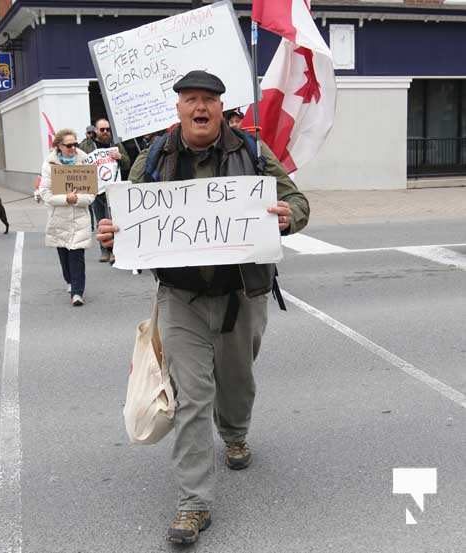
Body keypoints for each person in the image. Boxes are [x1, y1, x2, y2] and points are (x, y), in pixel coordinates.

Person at [97, 71, 310, 544]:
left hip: (241, 295)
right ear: (177, 108)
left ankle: (234, 433)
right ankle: (194, 504)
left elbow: (296, 200)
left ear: (221, 108)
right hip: (181, 299)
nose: (200, 107)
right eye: (191, 99)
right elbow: (126, 217)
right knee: (192, 397)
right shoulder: (154, 156)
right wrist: (113, 237)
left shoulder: (252, 152)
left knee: (236, 381)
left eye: (208, 100)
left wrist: (289, 214)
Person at [39, 129, 95, 306]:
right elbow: (45, 193)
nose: (73, 148)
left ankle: (78, 293)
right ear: (58, 146)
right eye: (69, 145)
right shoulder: (49, 165)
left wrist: (77, 199)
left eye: (75, 144)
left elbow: (92, 193)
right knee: (64, 257)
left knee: (76, 256)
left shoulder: (85, 161)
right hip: (59, 218)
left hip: (79, 218)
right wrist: (66, 199)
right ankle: (70, 282)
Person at [80, 118, 130, 263]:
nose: (106, 132)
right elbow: (78, 163)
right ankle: (104, 251)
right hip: (96, 191)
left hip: (114, 190)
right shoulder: (88, 146)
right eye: (102, 130)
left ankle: (115, 250)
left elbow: (127, 163)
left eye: (108, 129)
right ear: (96, 131)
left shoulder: (116, 145)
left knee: (114, 222)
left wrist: (120, 157)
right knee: (101, 221)